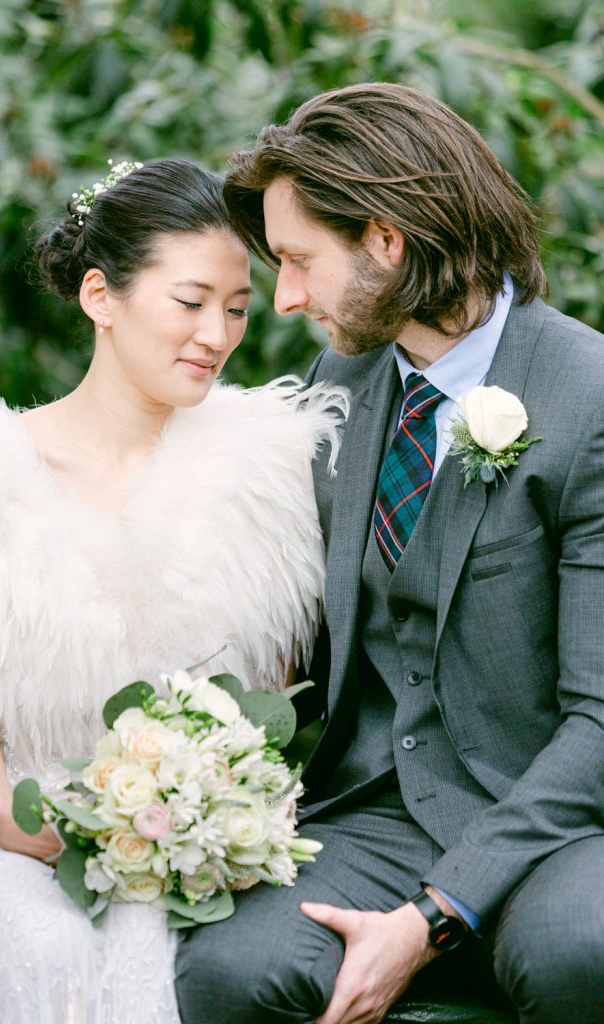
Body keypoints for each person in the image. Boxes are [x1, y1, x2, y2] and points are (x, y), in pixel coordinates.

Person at [0, 158, 348, 1023]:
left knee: (180, 944)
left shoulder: (263, 472)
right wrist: (11, 820)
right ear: (101, 297)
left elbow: (266, 692)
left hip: (185, 844)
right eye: (189, 303)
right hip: (2, 833)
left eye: (235, 309)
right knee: (46, 941)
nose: (216, 336)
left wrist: (221, 808)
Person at [175, 83, 604, 1024]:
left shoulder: (588, 394)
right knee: (230, 970)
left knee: (580, 952)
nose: (284, 299)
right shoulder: (345, 375)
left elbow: (600, 721)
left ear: (385, 240)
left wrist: (433, 917)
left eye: (297, 260)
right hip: (378, 808)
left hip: (555, 822)